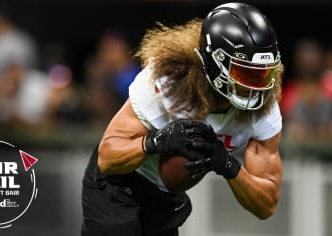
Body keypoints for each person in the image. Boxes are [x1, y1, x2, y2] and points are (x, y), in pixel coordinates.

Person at [81, 2, 284, 236]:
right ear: (215, 62)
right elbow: (107, 158)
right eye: (245, 73)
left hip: (165, 197)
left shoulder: (264, 108)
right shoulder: (168, 82)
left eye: (263, 74)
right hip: (118, 185)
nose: (255, 87)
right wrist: (155, 142)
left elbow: (267, 204)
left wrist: (229, 166)